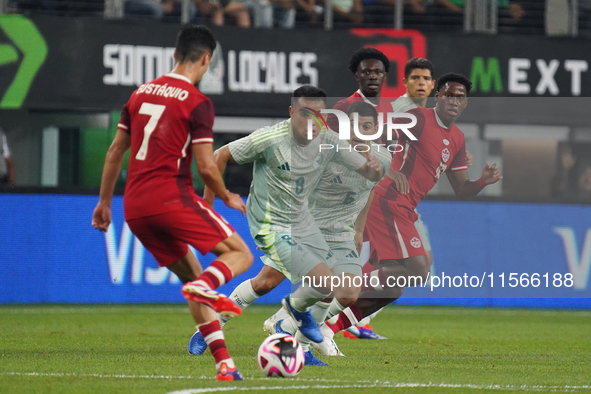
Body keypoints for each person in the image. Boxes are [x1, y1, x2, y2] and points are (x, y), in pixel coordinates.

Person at [91, 25, 253, 381]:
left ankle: (224, 364)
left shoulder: (139, 94)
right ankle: (204, 287)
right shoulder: (197, 102)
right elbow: (207, 167)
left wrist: (104, 203)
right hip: (170, 198)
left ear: (175, 54)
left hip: (134, 207)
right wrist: (226, 195)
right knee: (240, 254)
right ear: (206, 58)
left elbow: (116, 151)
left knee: (196, 279)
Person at [186, 85, 384, 365]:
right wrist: (210, 206)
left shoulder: (327, 141)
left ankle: (228, 328)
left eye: (317, 114)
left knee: (267, 283)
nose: (310, 121)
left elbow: (367, 172)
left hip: (305, 225)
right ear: (291, 113)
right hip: (271, 224)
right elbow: (218, 156)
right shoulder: (270, 139)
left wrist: (372, 166)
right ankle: (288, 330)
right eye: (304, 113)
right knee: (323, 283)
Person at [321, 73, 502, 341]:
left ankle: (325, 324)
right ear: (438, 96)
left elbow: (462, 189)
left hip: (403, 207)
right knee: (419, 269)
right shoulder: (418, 118)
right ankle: (327, 296)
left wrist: (481, 182)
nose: (454, 100)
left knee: (393, 285)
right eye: (448, 94)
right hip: (389, 199)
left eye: (460, 97)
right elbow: (372, 132)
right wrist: (387, 170)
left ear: (465, 103)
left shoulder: (457, 139)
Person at [263, 101, 392, 361]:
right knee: (266, 281)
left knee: (348, 293)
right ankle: (214, 328)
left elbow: (369, 191)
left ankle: (290, 329)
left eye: (366, 126)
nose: (359, 132)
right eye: (354, 125)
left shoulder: (384, 159)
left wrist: (359, 230)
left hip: (340, 233)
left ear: (376, 129)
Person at [327, 48, 393, 134]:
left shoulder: (388, 105)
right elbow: (324, 140)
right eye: (367, 72)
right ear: (357, 76)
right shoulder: (344, 106)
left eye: (378, 72)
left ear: (384, 76)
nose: (373, 77)